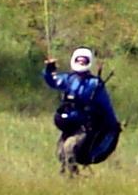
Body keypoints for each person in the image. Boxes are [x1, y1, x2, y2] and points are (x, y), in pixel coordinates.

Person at [43, 47, 121, 175]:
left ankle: (72, 177)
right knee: (60, 152)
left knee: (69, 147)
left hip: (85, 125)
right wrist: (49, 69)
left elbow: (106, 105)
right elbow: (52, 81)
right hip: (70, 123)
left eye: (83, 61)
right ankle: (66, 175)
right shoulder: (68, 79)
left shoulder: (94, 84)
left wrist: (113, 124)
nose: (80, 64)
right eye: (78, 61)